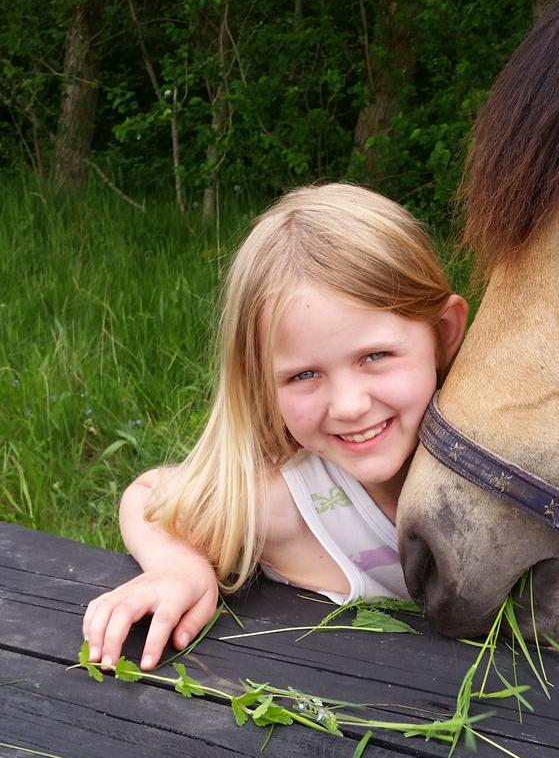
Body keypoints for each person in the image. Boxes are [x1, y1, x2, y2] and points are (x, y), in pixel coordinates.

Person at [82, 183, 468, 672]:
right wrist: (179, 567)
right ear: (261, 382)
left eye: (376, 356)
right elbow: (149, 494)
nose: (349, 406)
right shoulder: (284, 507)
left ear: (444, 334)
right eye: (304, 374)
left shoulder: (496, 459)